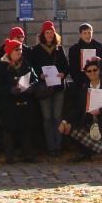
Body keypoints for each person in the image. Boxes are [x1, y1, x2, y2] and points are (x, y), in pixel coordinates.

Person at [58, 58, 102, 161]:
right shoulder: (85, 89)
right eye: (89, 71)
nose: (92, 73)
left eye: (95, 70)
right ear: (86, 73)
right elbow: (78, 108)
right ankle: (91, 152)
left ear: (99, 71)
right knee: (69, 128)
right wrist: (65, 121)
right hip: (90, 123)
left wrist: (101, 111)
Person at [27, 20, 70, 156]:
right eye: (47, 32)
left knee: (57, 117)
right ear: (43, 34)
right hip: (44, 88)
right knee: (47, 118)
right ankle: (51, 147)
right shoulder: (36, 50)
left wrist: (63, 73)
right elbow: (32, 67)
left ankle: (58, 146)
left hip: (58, 87)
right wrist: (39, 75)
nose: (50, 35)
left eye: (51, 32)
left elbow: (66, 66)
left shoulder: (59, 49)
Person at [0, 39, 40, 163]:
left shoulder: (26, 63)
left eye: (20, 49)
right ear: (9, 52)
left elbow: (34, 79)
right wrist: (10, 89)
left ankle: (28, 155)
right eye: (17, 50)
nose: (20, 52)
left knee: (26, 129)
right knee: (9, 130)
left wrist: (32, 87)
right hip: (8, 103)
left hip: (24, 101)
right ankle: (9, 156)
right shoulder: (3, 66)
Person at [68, 23, 102, 87]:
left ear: (92, 33)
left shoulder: (99, 46)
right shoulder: (74, 49)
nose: (87, 35)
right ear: (80, 34)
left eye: (89, 33)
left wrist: (99, 60)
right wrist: (79, 82)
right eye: (85, 33)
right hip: (81, 82)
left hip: (97, 81)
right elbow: (72, 68)